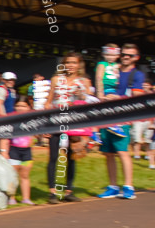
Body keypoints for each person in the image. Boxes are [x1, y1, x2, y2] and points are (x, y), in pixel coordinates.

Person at [97, 44, 144, 200]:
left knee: (123, 152)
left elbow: (137, 97)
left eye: (129, 55)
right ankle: (113, 186)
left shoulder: (136, 74)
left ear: (136, 58)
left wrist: (117, 98)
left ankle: (128, 187)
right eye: (123, 54)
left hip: (122, 118)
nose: (125, 57)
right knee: (108, 153)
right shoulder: (112, 70)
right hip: (107, 115)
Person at [44, 52, 91, 204]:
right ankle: (52, 193)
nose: (71, 65)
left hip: (74, 123)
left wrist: (81, 94)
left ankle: (69, 190)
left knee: (71, 157)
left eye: (74, 62)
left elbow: (89, 101)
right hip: (56, 120)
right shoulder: (56, 79)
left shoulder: (84, 81)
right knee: (53, 157)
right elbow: (48, 101)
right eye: (68, 62)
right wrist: (45, 123)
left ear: (79, 65)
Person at [0, 96, 36, 205]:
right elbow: (4, 136)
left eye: (23, 106)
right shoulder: (11, 119)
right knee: (13, 175)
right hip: (13, 150)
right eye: (18, 105)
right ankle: (11, 198)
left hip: (26, 152)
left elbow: (37, 134)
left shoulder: (32, 120)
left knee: (25, 175)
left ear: (29, 107)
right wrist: (3, 151)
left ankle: (26, 198)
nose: (20, 108)